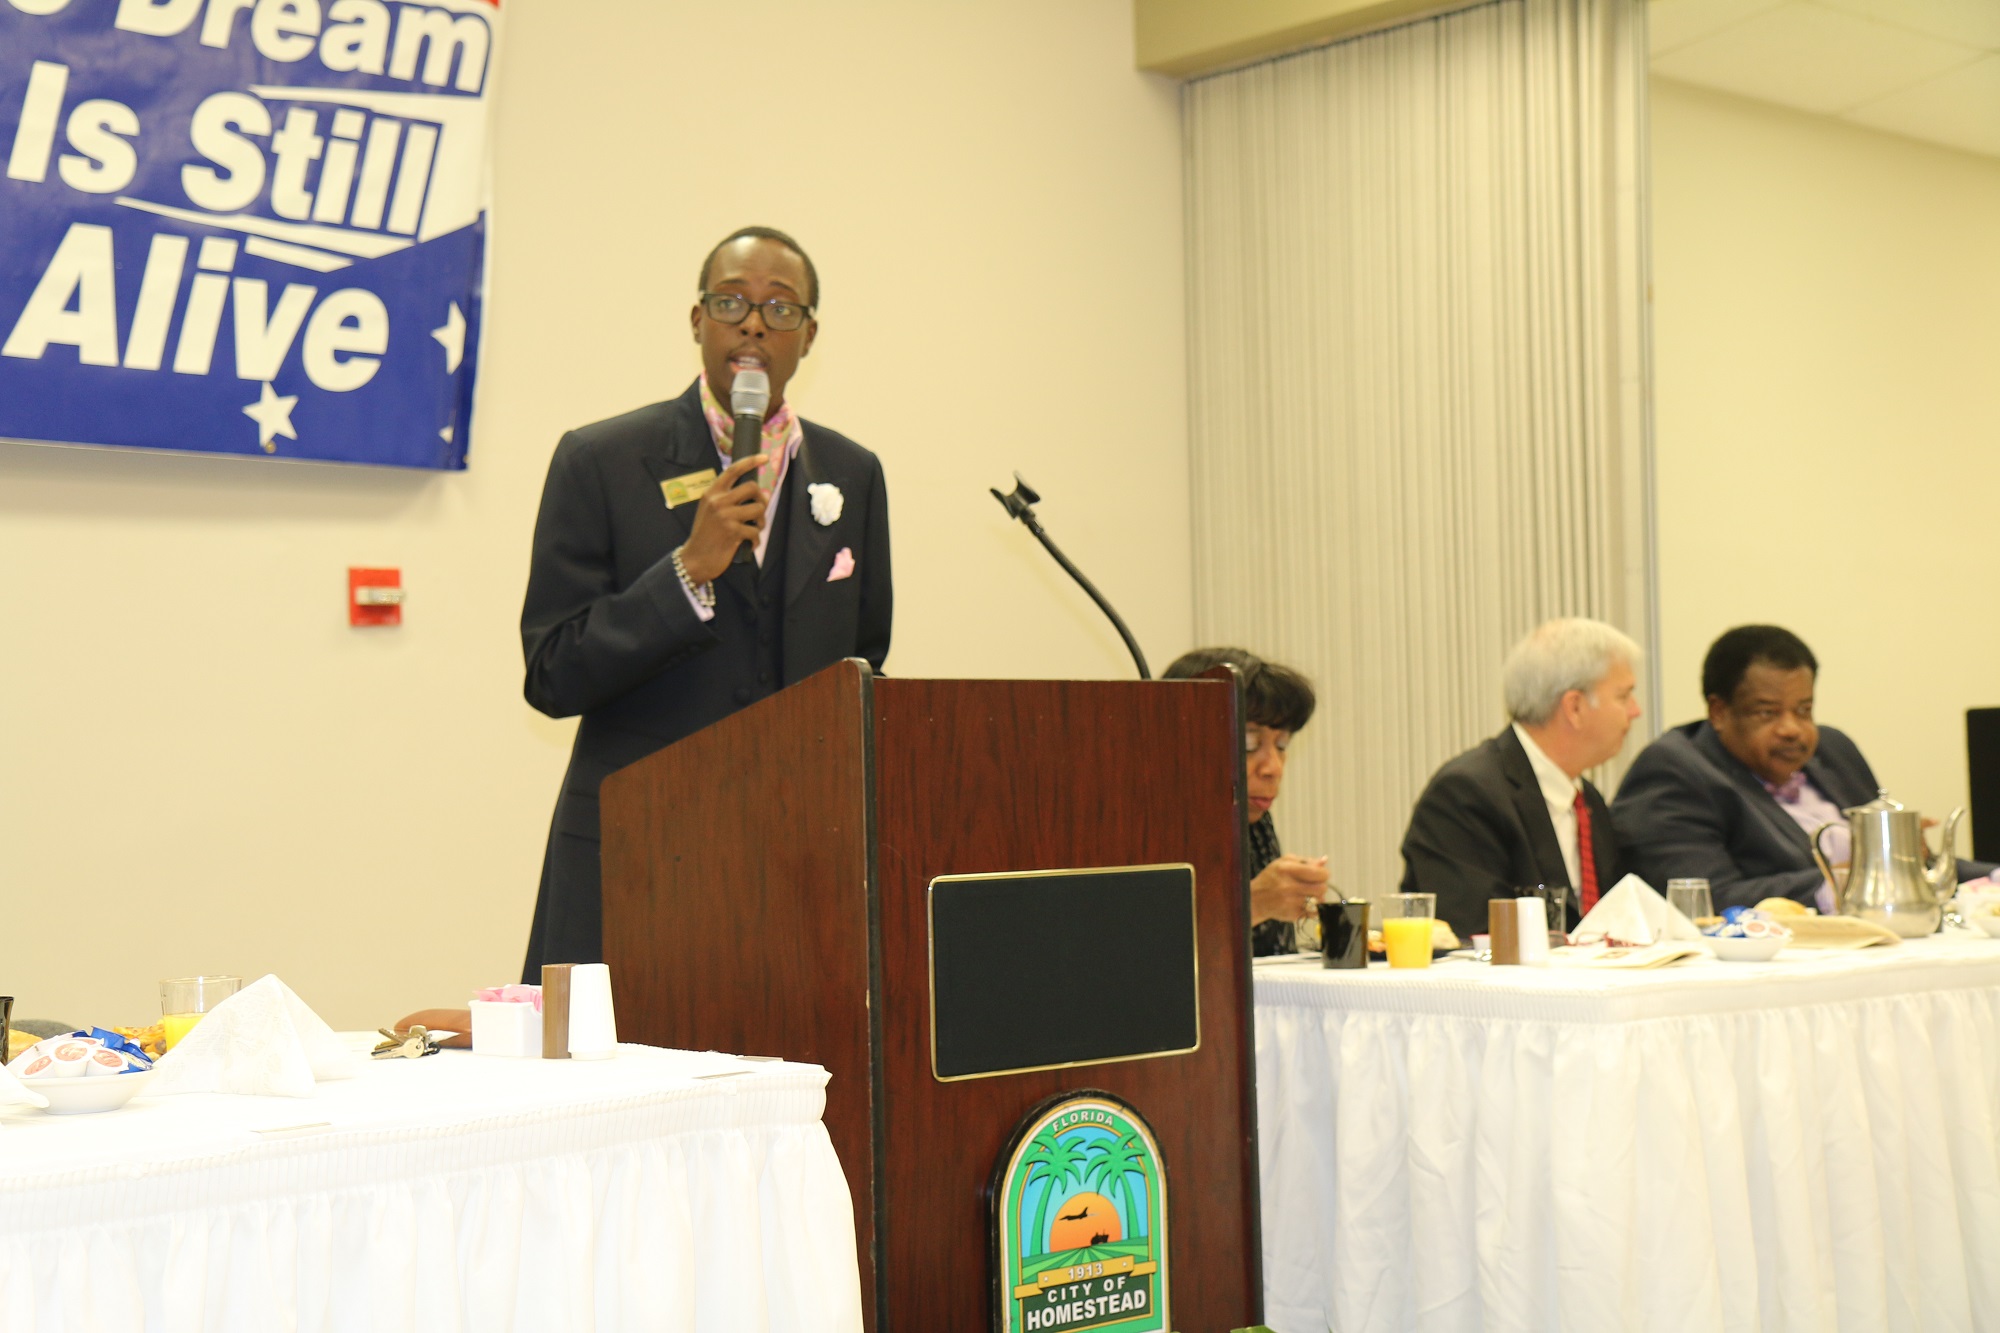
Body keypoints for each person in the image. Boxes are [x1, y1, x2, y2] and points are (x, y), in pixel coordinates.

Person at [518, 226, 892, 977]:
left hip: (795, 865)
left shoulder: (852, 474)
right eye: (731, 302)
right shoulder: (601, 459)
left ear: (809, 335)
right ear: (698, 321)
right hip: (635, 856)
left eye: (780, 309)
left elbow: (866, 664)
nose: (754, 323)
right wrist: (688, 571)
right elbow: (552, 671)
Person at [1611, 624, 1990, 913]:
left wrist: (1989, 878)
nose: (1792, 729)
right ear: (1719, 712)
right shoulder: (1675, 770)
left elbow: (1906, 869)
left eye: (1804, 710)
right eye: (1768, 713)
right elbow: (1701, 898)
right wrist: (1846, 881)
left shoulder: (1833, 749)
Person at [1399, 618, 1641, 938]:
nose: (1635, 711)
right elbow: (1476, 936)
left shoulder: (1587, 800)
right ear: (1575, 707)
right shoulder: (1466, 795)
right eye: (1624, 697)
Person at [1162, 647, 1327, 956]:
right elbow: (1140, 949)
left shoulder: (1252, 820)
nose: (1273, 768)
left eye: (1282, 745)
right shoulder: (1143, 828)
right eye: (1250, 743)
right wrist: (1253, 904)